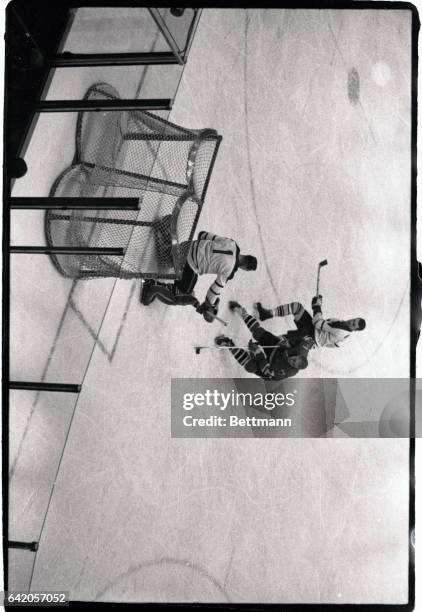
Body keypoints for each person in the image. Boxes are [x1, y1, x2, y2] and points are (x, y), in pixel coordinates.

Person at [141, 231, 257, 323]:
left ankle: (166, 237)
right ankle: (152, 288)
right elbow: (214, 289)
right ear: (246, 267)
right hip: (190, 263)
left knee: (168, 263)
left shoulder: (232, 243)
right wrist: (208, 307)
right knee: (183, 293)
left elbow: (202, 234)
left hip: (187, 246)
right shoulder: (230, 270)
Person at [215, 301, 312, 380]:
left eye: (293, 364)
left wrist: (258, 352)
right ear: (299, 355)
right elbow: (308, 339)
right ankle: (242, 312)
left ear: (295, 368)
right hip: (278, 349)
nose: (291, 361)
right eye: (294, 359)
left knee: (250, 366)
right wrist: (289, 342)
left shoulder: (286, 371)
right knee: (257, 333)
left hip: (270, 365)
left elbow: (267, 369)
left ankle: (228, 344)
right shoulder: (303, 348)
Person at [255, 296, 366, 348]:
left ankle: (259, 346)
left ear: (355, 330)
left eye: (353, 324)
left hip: (310, 338)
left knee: (283, 340)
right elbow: (318, 322)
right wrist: (316, 306)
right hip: (312, 328)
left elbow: (318, 322)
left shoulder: (341, 332)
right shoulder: (340, 322)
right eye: (353, 320)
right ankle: (267, 314)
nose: (351, 321)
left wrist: (317, 306)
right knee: (297, 307)